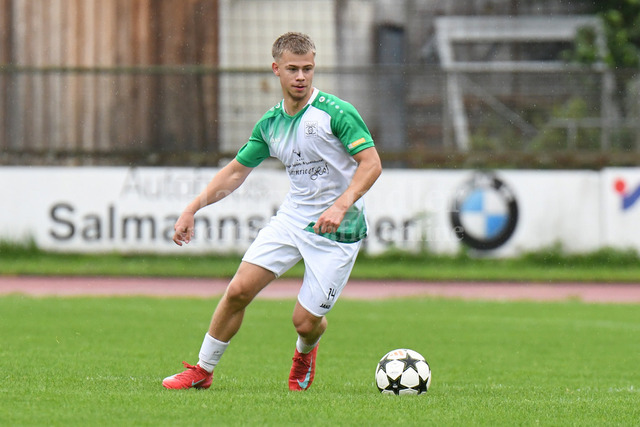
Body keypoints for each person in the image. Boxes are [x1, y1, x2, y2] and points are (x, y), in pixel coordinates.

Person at [162, 32, 382, 391]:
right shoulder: (270, 124)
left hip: (339, 230)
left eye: (308, 68)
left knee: (304, 323)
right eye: (293, 69)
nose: (301, 77)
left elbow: (371, 164)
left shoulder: (336, 112)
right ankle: (202, 370)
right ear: (276, 69)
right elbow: (236, 172)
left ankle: (306, 350)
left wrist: (341, 205)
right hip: (293, 220)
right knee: (238, 290)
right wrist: (192, 208)